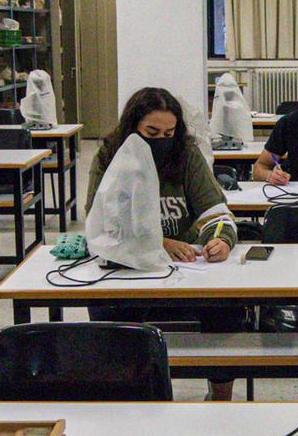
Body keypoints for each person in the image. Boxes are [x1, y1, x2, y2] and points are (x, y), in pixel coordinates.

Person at [85, 86, 242, 400]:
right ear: (133, 128)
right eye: (151, 132)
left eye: (169, 132)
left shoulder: (185, 154)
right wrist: (161, 242)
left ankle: (221, 395)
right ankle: (126, 395)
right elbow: (99, 226)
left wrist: (220, 240)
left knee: (227, 307)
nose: (161, 140)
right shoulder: (109, 155)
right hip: (128, 270)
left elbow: (218, 213)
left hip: (183, 272)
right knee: (107, 310)